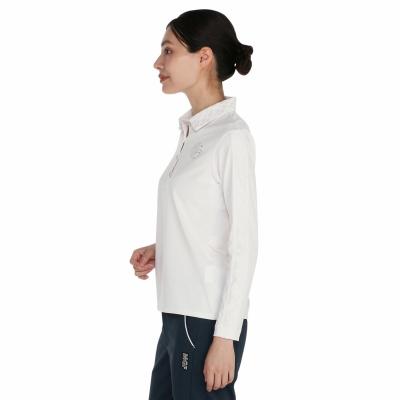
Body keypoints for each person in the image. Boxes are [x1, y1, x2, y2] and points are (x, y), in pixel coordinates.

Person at [129, 9, 258, 400]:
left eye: (168, 50)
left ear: (204, 57)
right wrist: (163, 247)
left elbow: (244, 243)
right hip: (176, 315)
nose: (158, 62)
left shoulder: (231, 137)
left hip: (203, 320)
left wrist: (225, 337)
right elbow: (205, 221)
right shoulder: (193, 133)